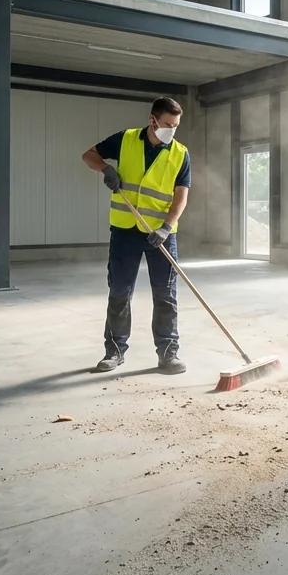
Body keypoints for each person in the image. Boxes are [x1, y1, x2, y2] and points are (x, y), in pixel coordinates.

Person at [81, 96, 191, 374]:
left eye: (176, 125)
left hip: (161, 234)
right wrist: (106, 168)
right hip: (125, 231)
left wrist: (166, 227)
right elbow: (88, 155)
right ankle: (114, 352)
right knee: (119, 291)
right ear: (152, 120)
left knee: (165, 294)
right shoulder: (126, 140)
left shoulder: (180, 153)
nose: (172, 130)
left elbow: (181, 197)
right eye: (167, 124)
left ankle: (168, 353)